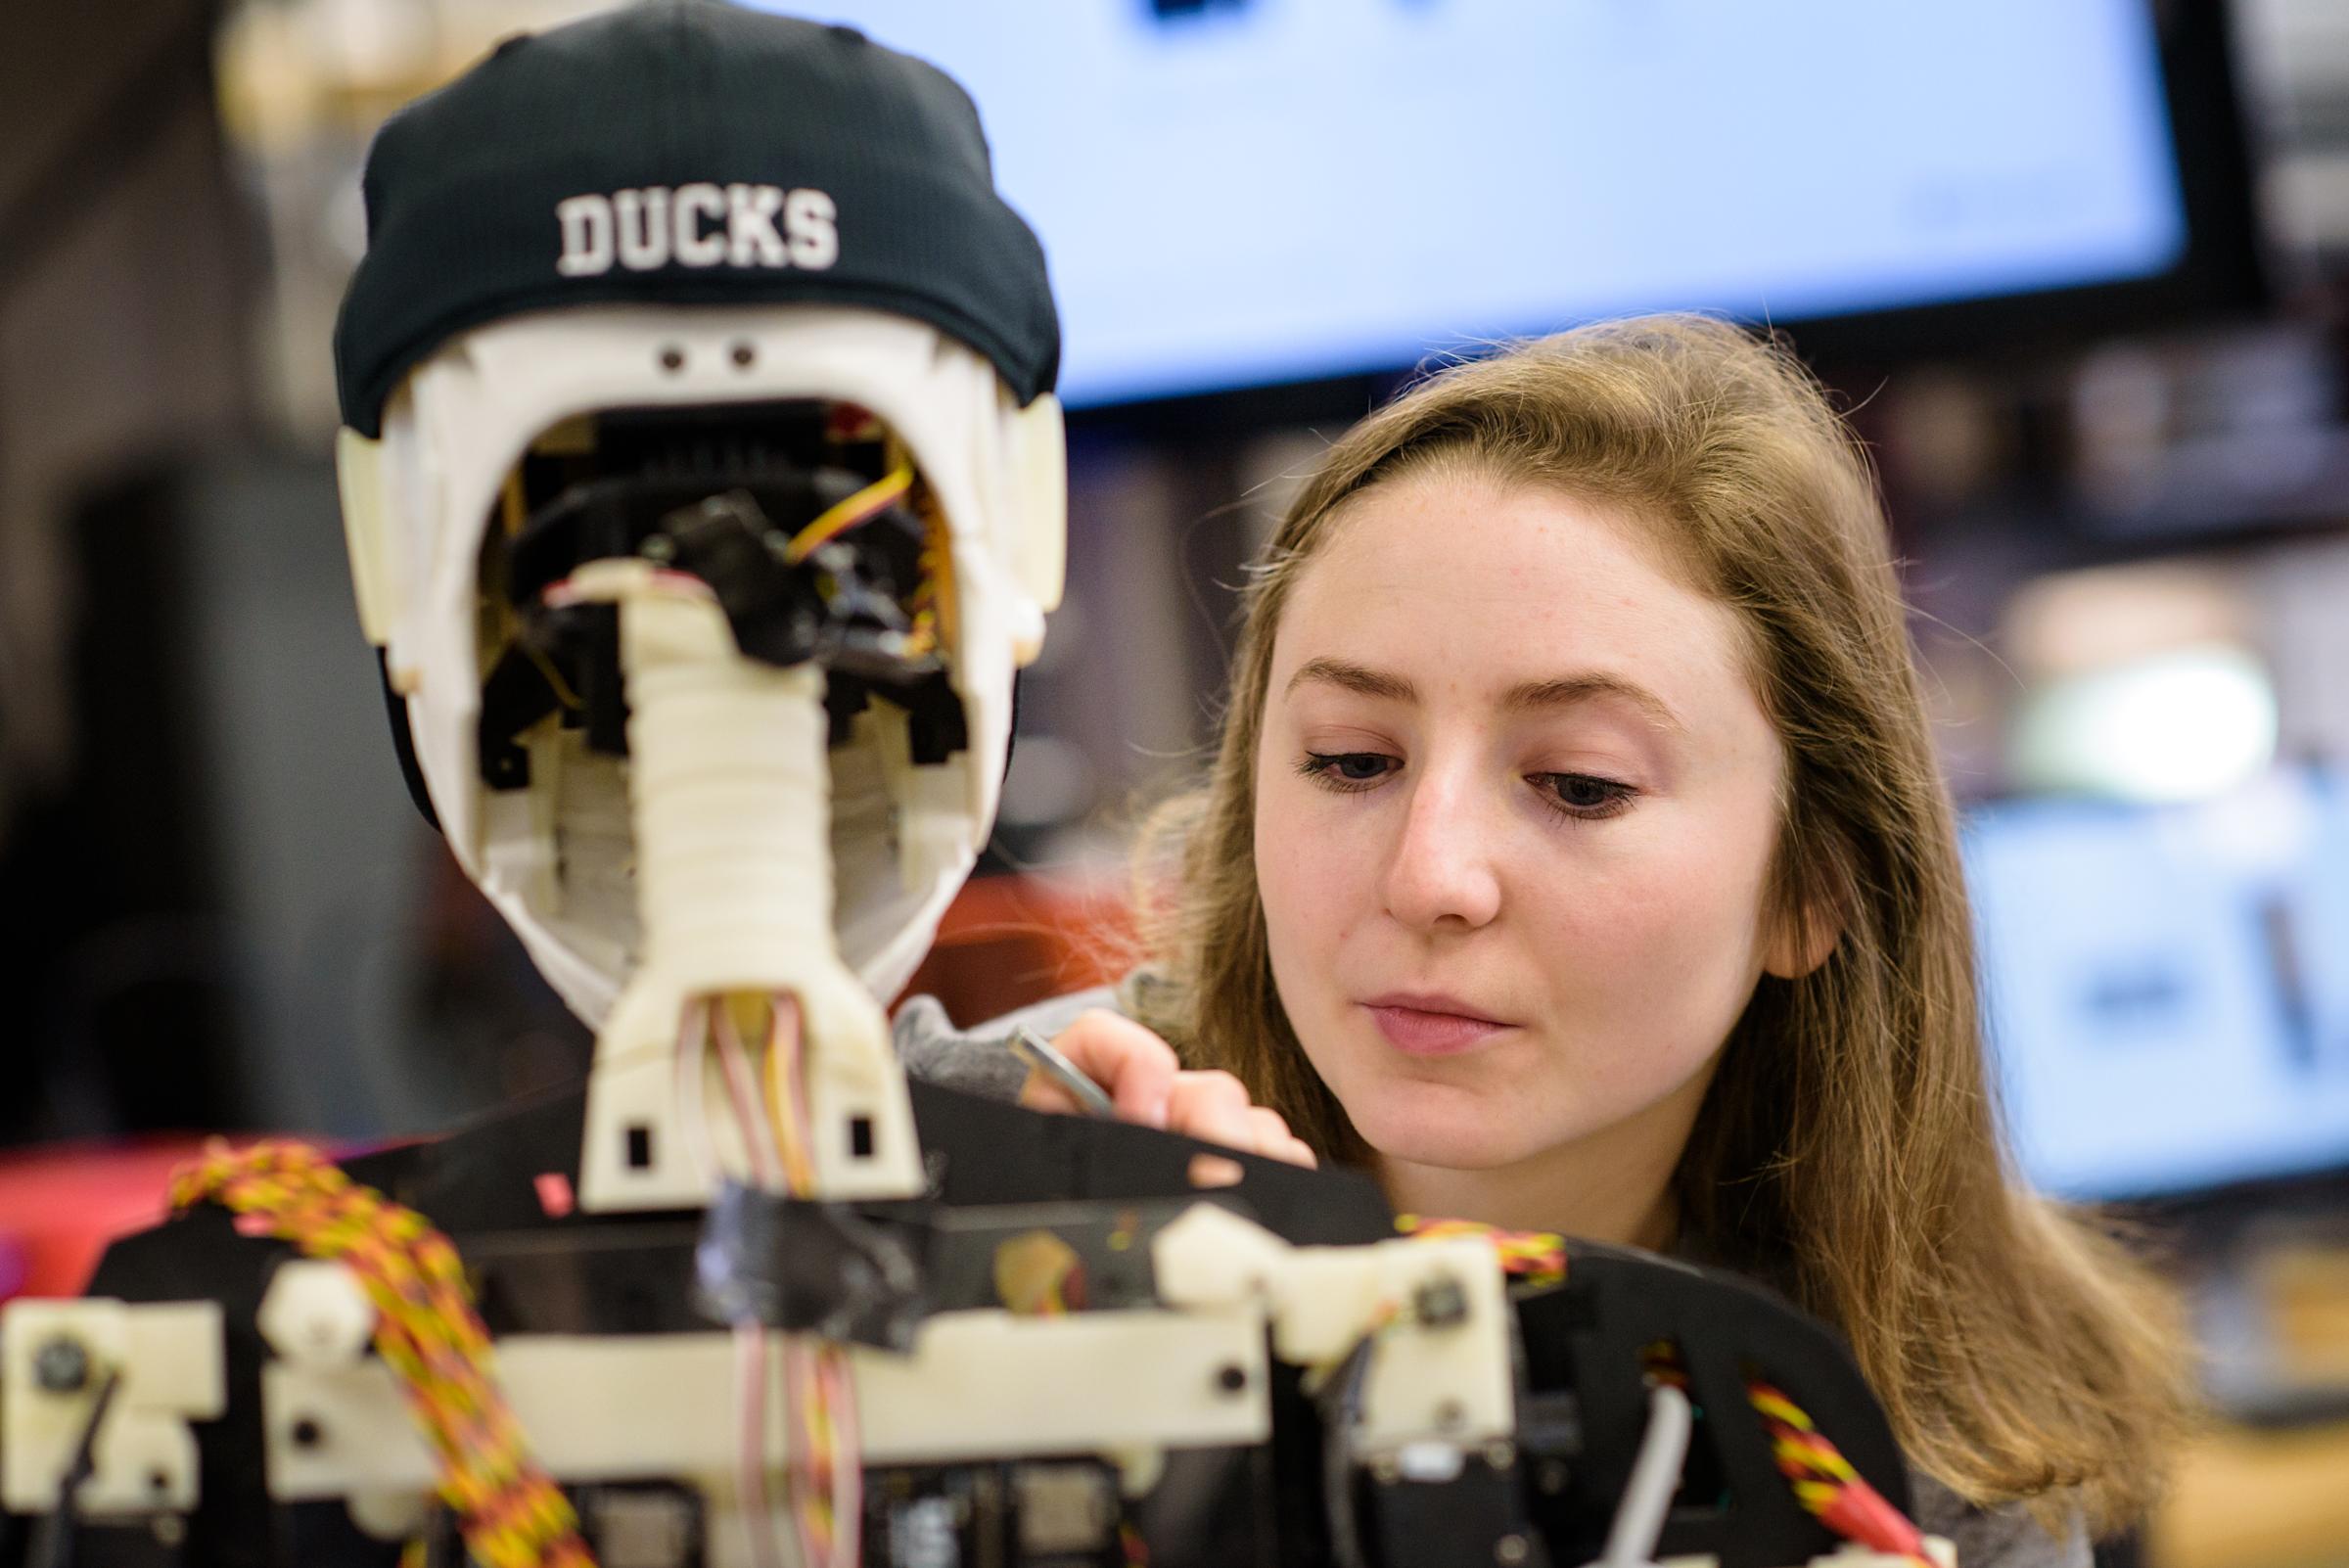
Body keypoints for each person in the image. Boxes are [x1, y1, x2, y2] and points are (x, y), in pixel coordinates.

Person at [895, 313, 2192, 1568]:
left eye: (1579, 784)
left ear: (1812, 887)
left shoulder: (1915, 1462)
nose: (1430, 876)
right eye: (1351, 760)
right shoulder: (985, 1170)